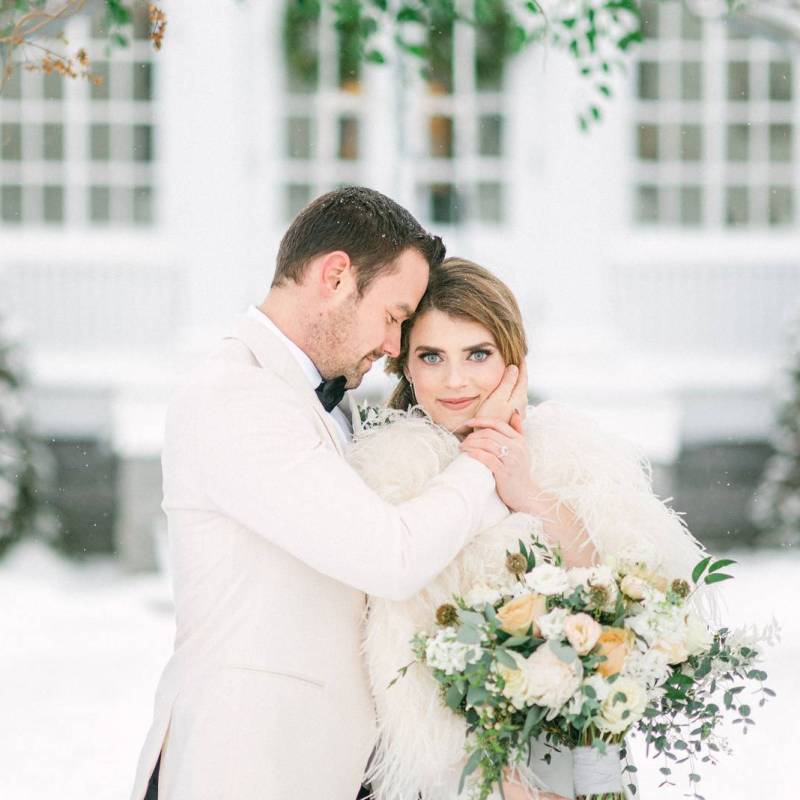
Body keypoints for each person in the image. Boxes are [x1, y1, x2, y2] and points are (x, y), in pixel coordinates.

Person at [128, 188, 531, 800]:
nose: (394, 347)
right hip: (246, 768)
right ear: (337, 275)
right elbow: (388, 558)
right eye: (395, 316)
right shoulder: (237, 397)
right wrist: (485, 459)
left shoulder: (318, 403)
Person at [350, 258, 708, 800]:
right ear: (405, 367)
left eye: (478, 354)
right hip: (447, 773)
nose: (455, 380)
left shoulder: (570, 459)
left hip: (571, 758)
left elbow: (618, 594)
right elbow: (405, 657)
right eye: (431, 357)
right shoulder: (385, 477)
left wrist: (527, 489)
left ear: (513, 360)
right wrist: (503, 780)